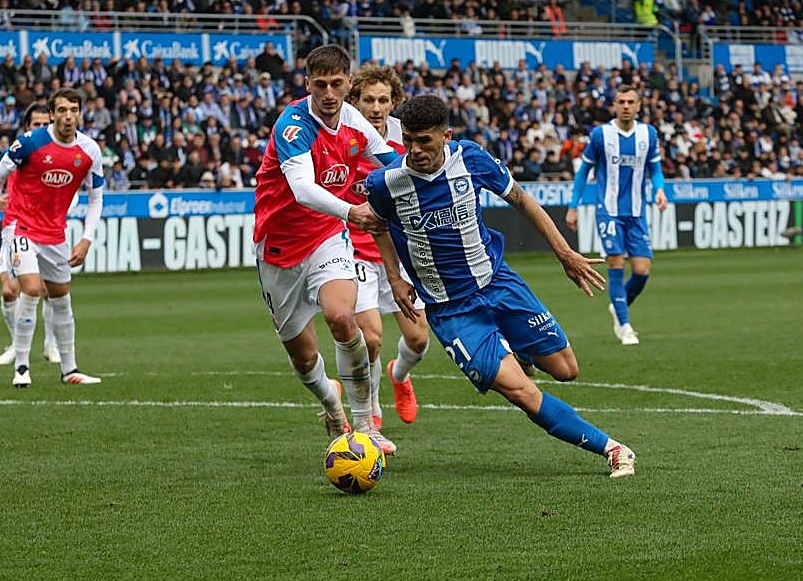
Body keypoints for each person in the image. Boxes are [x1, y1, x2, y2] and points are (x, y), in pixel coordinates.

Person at [365, 95, 635, 478]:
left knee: (566, 370)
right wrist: (394, 277)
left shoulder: (472, 159)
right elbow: (376, 225)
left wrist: (564, 253)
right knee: (522, 392)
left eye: (424, 140)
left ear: (446, 136)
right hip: (451, 311)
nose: (415, 150)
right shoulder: (385, 182)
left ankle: (518, 352)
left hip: (499, 283)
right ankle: (613, 449)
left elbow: (522, 200)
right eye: (408, 139)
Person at [252, 45, 398, 454]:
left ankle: (366, 426)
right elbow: (302, 190)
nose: (330, 93)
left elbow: (392, 164)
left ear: (349, 83)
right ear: (308, 83)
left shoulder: (355, 122)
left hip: (327, 238)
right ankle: (332, 406)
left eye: (337, 84)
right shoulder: (293, 126)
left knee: (340, 316)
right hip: (278, 249)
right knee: (303, 358)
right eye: (321, 84)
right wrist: (354, 211)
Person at [0, 88, 104, 387]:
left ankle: (69, 370)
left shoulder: (90, 150)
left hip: (55, 233)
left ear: (80, 113)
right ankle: (22, 367)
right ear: (52, 115)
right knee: (29, 287)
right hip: (22, 226)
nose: (68, 116)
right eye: (63, 110)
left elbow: (96, 198)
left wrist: (86, 238)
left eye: (74, 110)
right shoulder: (29, 143)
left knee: (61, 298)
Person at [344, 64, 430, 429]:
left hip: (398, 249)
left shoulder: (404, 140)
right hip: (355, 249)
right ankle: (372, 410)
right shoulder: (342, 134)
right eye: (368, 100)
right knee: (371, 338)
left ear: (394, 102)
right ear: (356, 101)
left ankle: (399, 375)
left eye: (383, 100)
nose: (376, 107)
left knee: (418, 339)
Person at [565, 85, 668, 345]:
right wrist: (573, 206)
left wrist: (660, 190)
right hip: (608, 212)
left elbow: (655, 170)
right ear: (614, 105)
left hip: (637, 212)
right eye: (621, 101)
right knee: (616, 264)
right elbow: (583, 172)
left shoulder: (648, 134)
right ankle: (624, 325)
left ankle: (618, 304)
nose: (625, 106)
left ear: (638, 105)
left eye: (630, 101)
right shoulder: (601, 135)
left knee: (643, 271)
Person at [0, 102, 61, 368]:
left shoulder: (60, 152)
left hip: (46, 229)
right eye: (36, 125)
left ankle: (51, 345)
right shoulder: (19, 151)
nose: (42, 129)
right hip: (14, 227)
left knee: (47, 289)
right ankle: (15, 343)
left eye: (46, 124)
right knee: (10, 291)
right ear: (27, 127)